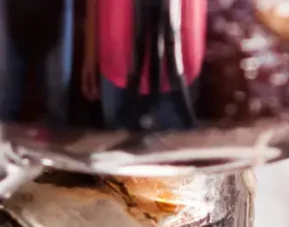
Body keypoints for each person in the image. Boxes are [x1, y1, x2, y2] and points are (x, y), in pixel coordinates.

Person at [83, 0, 207, 130]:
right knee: (118, 142)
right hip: (117, 54)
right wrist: (90, 53)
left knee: (176, 144)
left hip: (180, 58)